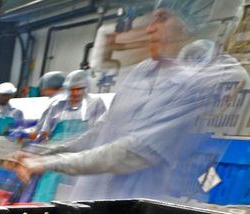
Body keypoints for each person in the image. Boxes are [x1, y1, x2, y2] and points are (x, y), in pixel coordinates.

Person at [13, 0, 248, 203]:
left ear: (196, 25)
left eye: (162, 19)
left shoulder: (212, 78)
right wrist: (46, 152)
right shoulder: (144, 71)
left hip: (147, 210)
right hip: (93, 201)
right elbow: (102, 130)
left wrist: (50, 163)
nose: (150, 29)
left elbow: (136, 153)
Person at [28, 70, 109, 201]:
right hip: (56, 160)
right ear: (66, 88)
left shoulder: (95, 103)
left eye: (79, 89)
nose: (75, 93)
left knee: (73, 199)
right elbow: (44, 132)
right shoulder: (57, 105)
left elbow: (98, 132)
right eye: (72, 89)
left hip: (80, 159)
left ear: (86, 88)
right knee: (47, 196)